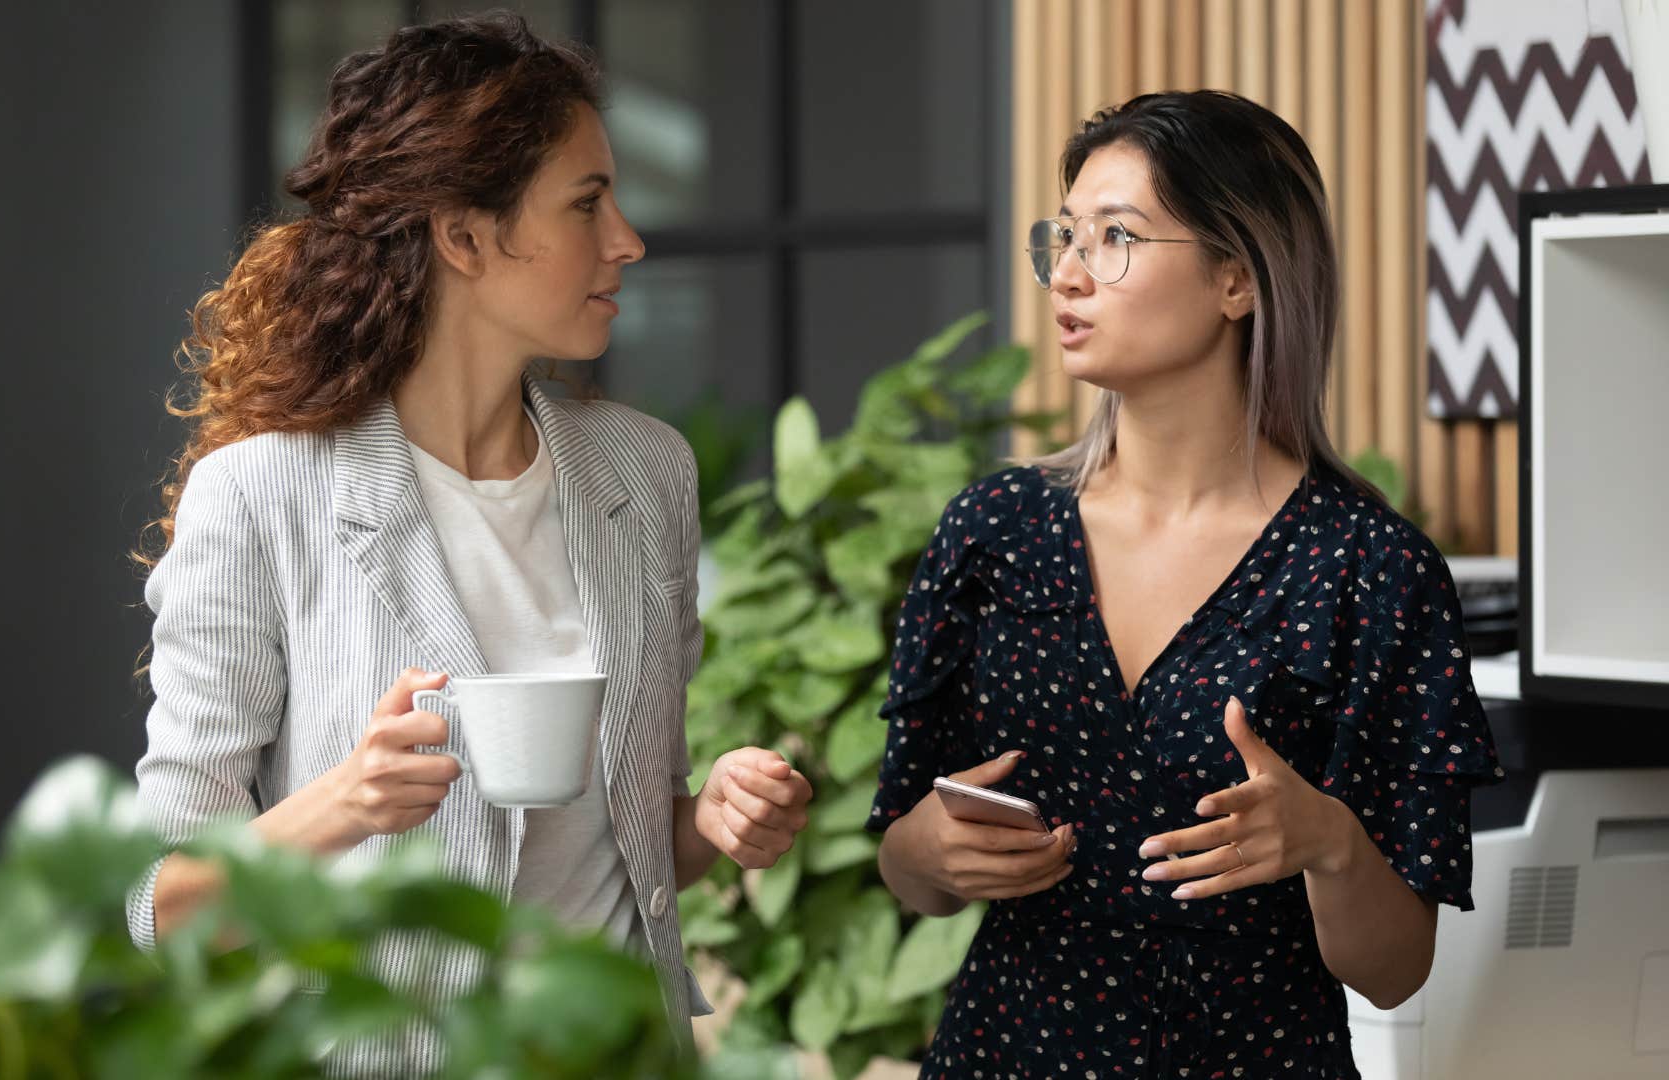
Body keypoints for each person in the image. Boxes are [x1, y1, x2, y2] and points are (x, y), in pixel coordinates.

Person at [125, 13, 813, 1074]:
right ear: (464, 234)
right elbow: (160, 905)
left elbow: (630, 844)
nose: (626, 239)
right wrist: (341, 805)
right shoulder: (259, 494)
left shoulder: (645, 472)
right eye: (587, 203)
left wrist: (712, 818)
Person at [868, 90, 1503, 1077]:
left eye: (1115, 238)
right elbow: (910, 871)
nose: (1067, 275)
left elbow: (1394, 971)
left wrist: (1330, 841)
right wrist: (927, 854)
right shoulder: (993, 534)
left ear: (1236, 279)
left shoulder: (1370, 569)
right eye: (1063, 237)